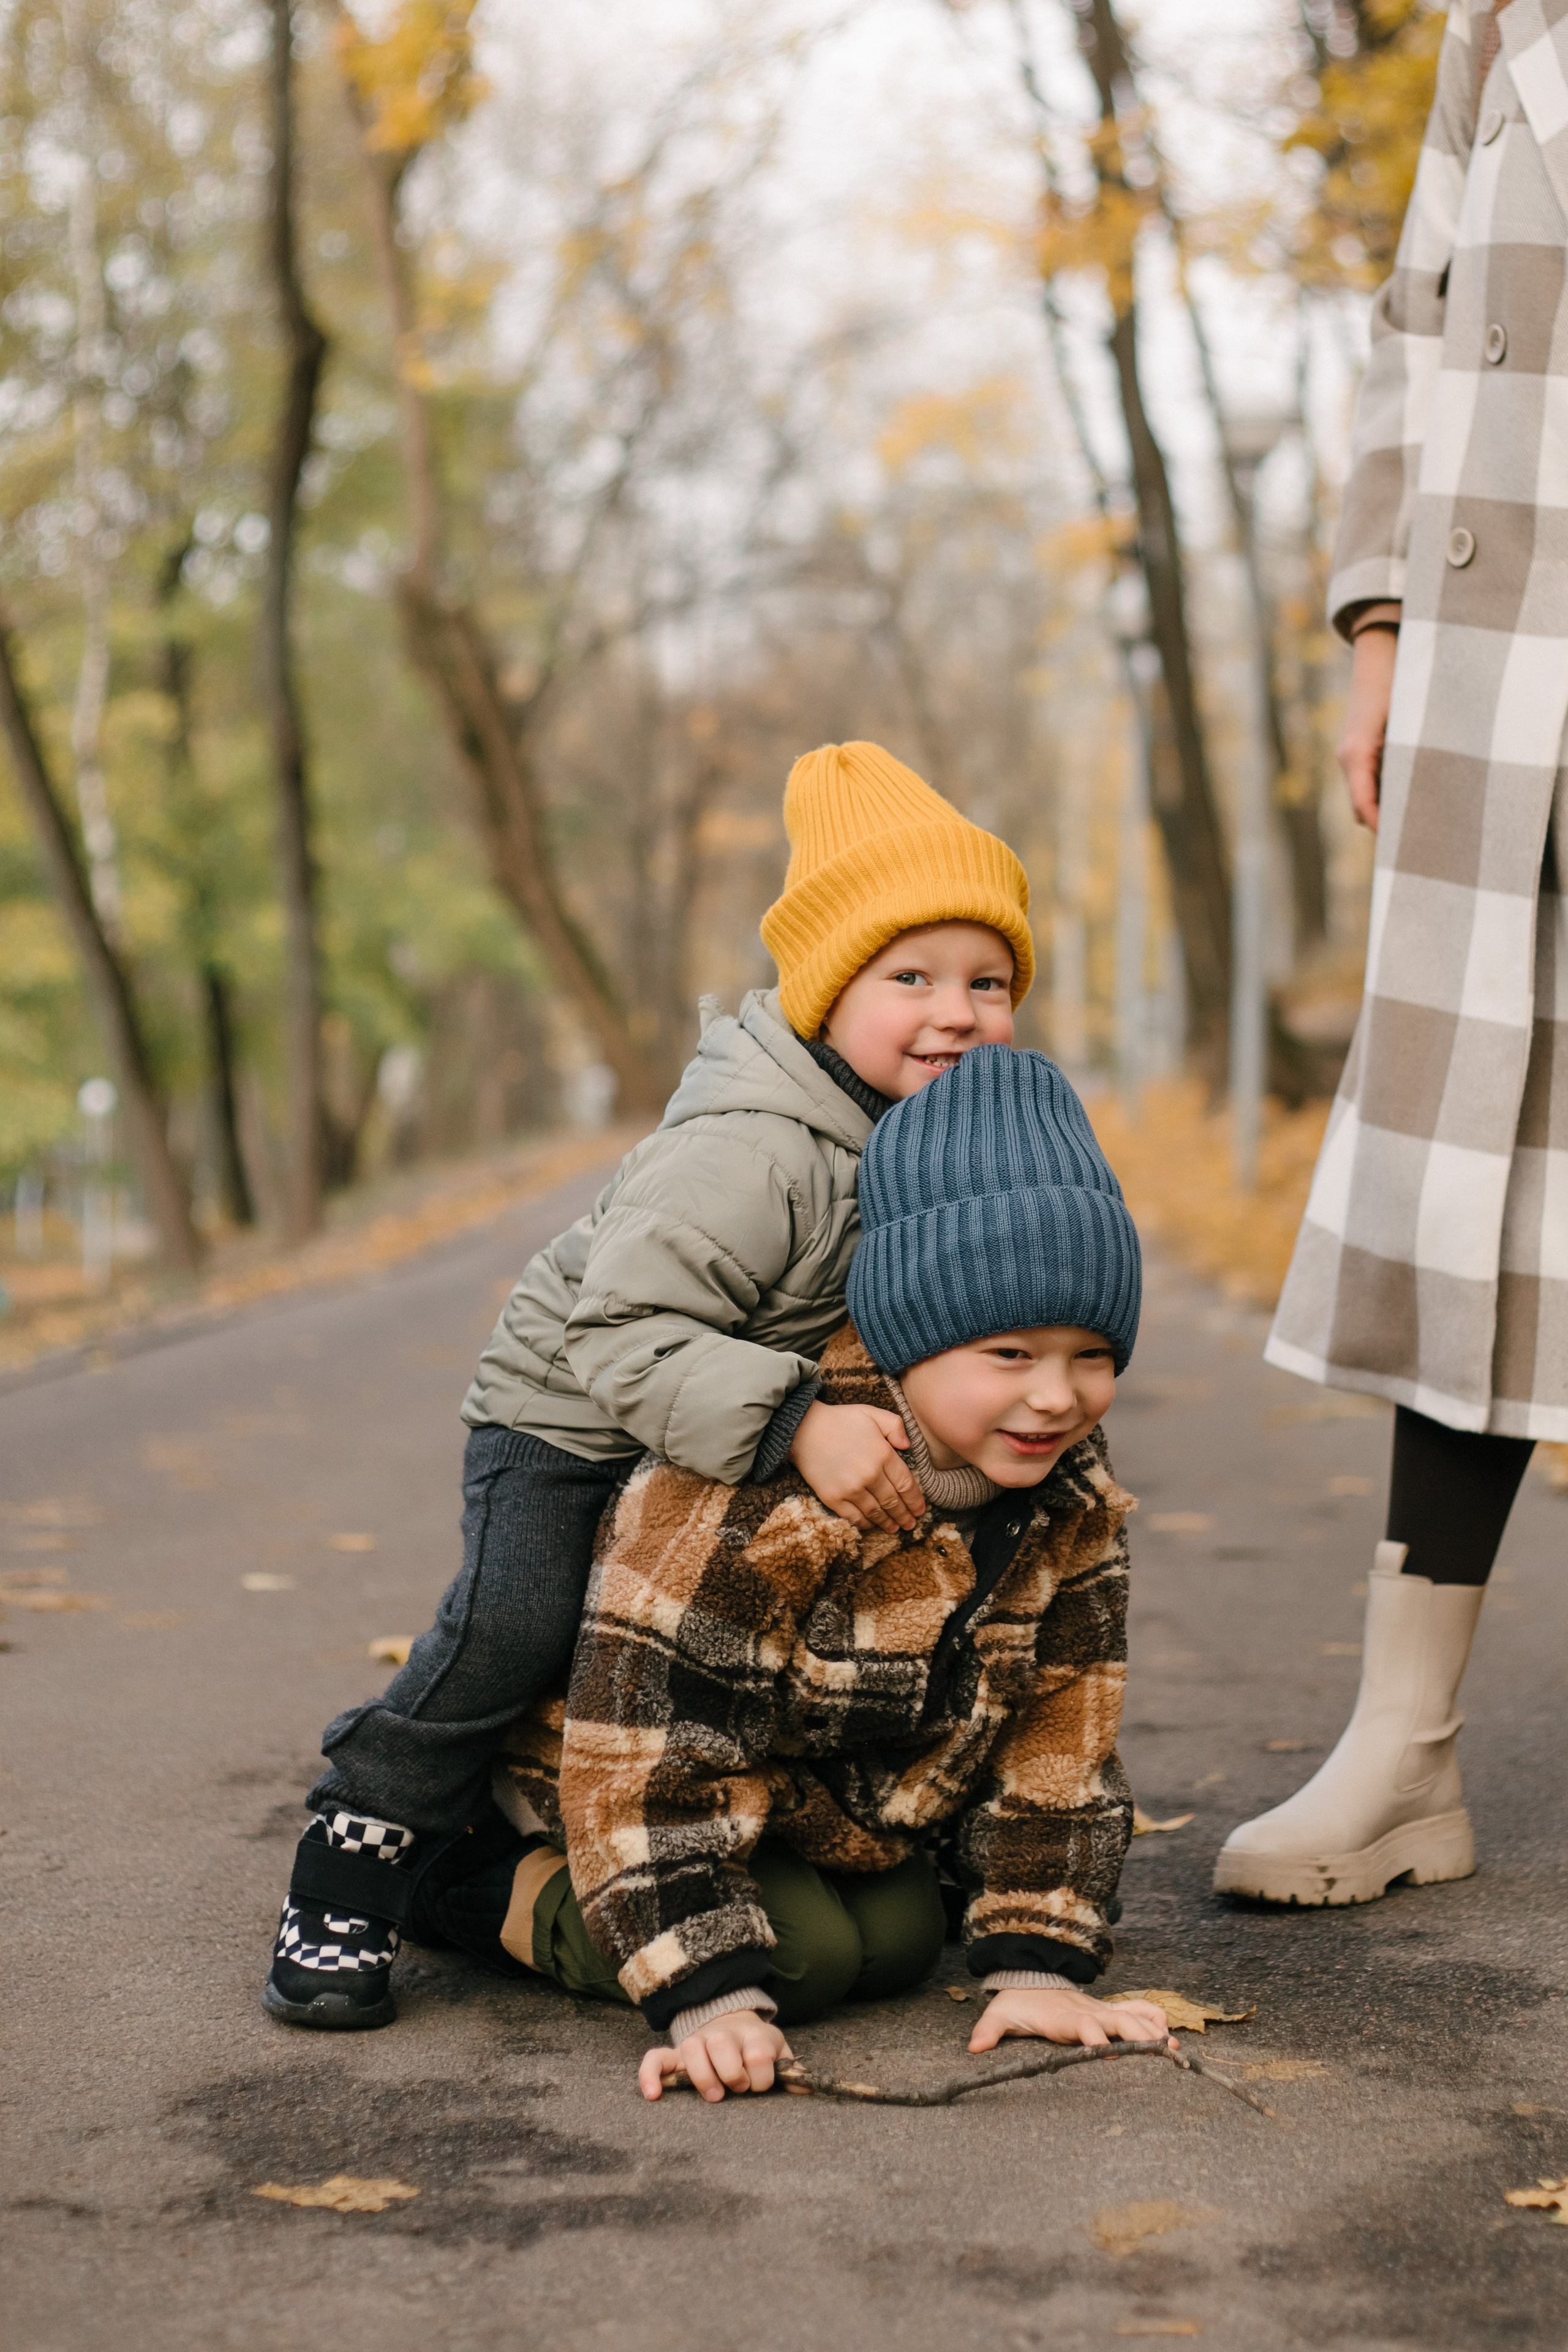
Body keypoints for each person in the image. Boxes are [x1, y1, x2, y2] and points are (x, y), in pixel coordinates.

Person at [263, 741, 1038, 2029]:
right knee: (517, 1629)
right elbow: (621, 1329)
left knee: (726, 1638)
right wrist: (795, 1419)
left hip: (715, 1415)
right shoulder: (752, 1148)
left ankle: (666, 1829)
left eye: (988, 981)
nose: (955, 1011)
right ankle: (362, 1853)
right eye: (910, 977)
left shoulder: (931, 1131)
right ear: (826, 992)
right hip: (572, 1411)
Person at [412, 1045, 1169, 2099]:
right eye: (1010, 1354)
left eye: (1092, 1356)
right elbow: (647, 1747)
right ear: (910, 1334)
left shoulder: (1068, 1490)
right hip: (616, 1768)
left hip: (814, 1792)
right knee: (800, 1962)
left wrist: (1038, 1964)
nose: (1056, 1397)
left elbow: (1064, 1727)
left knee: (901, 1941)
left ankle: (775, 1904)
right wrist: (706, 1995)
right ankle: (463, 1879)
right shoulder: (770, 1486)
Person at [1216, 0, 1562, 1905]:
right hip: (1504, 677)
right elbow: (1421, 320)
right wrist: (1378, 634)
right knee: (1477, 1195)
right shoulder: (1497, 16)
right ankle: (1407, 1750)